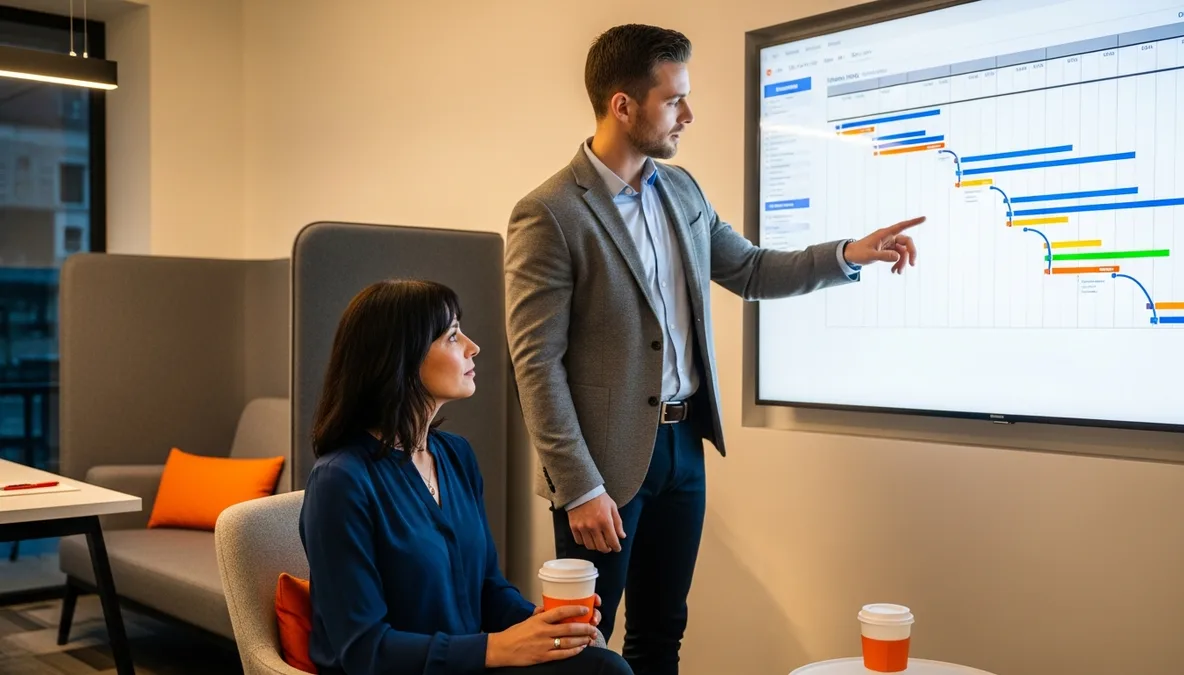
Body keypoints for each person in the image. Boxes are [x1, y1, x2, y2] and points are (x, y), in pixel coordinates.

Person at [504, 24, 922, 674]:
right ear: (623, 104)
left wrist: (849, 254)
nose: (689, 116)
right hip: (602, 468)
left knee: (661, 633)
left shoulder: (682, 190)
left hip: (682, 450)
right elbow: (535, 363)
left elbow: (752, 269)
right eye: (675, 100)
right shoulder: (551, 212)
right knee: (582, 646)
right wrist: (579, 484)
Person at [299, 279, 634, 675]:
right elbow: (363, 651)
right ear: (400, 358)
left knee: (602, 665)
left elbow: (488, 590)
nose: (473, 347)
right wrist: (497, 648)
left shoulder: (455, 456)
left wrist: (541, 622)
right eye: (453, 335)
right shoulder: (340, 482)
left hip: (464, 664)